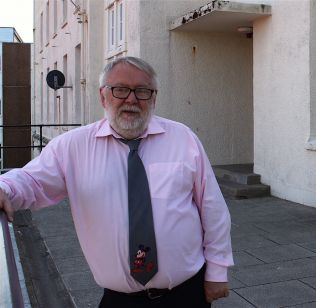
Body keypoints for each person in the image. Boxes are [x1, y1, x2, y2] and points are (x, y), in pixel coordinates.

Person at [0, 56, 233, 307]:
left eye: (142, 91)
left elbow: (212, 208)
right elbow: (31, 180)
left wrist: (217, 271)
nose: (131, 99)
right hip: (119, 300)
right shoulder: (73, 147)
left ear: (153, 98)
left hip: (187, 294)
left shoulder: (183, 138)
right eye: (120, 89)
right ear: (103, 96)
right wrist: (5, 188)